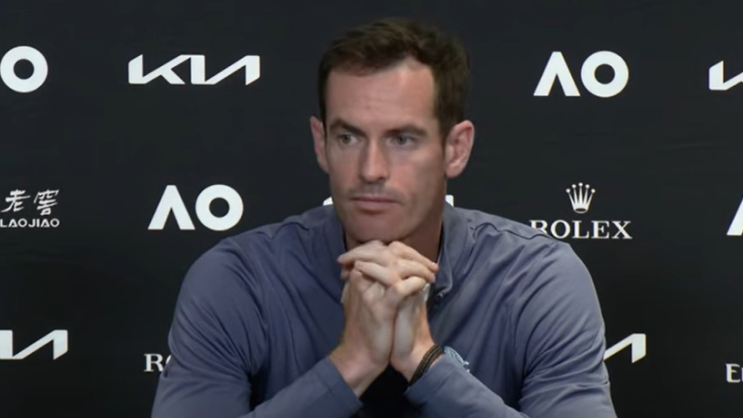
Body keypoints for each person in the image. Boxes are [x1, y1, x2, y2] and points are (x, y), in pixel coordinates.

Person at [150, 17, 617, 418]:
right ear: (321, 143)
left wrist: (424, 362)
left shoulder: (538, 278)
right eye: (349, 138)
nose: (371, 169)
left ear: (456, 148)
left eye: (402, 139)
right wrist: (350, 364)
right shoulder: (238, 279)